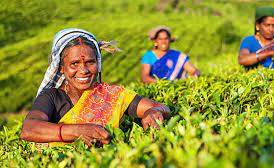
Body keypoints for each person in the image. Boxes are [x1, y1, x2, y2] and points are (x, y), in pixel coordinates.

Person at [20, 28, 170, 147]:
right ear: (61, 68)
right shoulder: (51, 97)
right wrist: (79, 130)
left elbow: (161, 107)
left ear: (98, 64)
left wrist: (153, 112)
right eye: (74, 64)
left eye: (90, 62)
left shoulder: (112, 95)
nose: (83, 70)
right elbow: (29, 129)